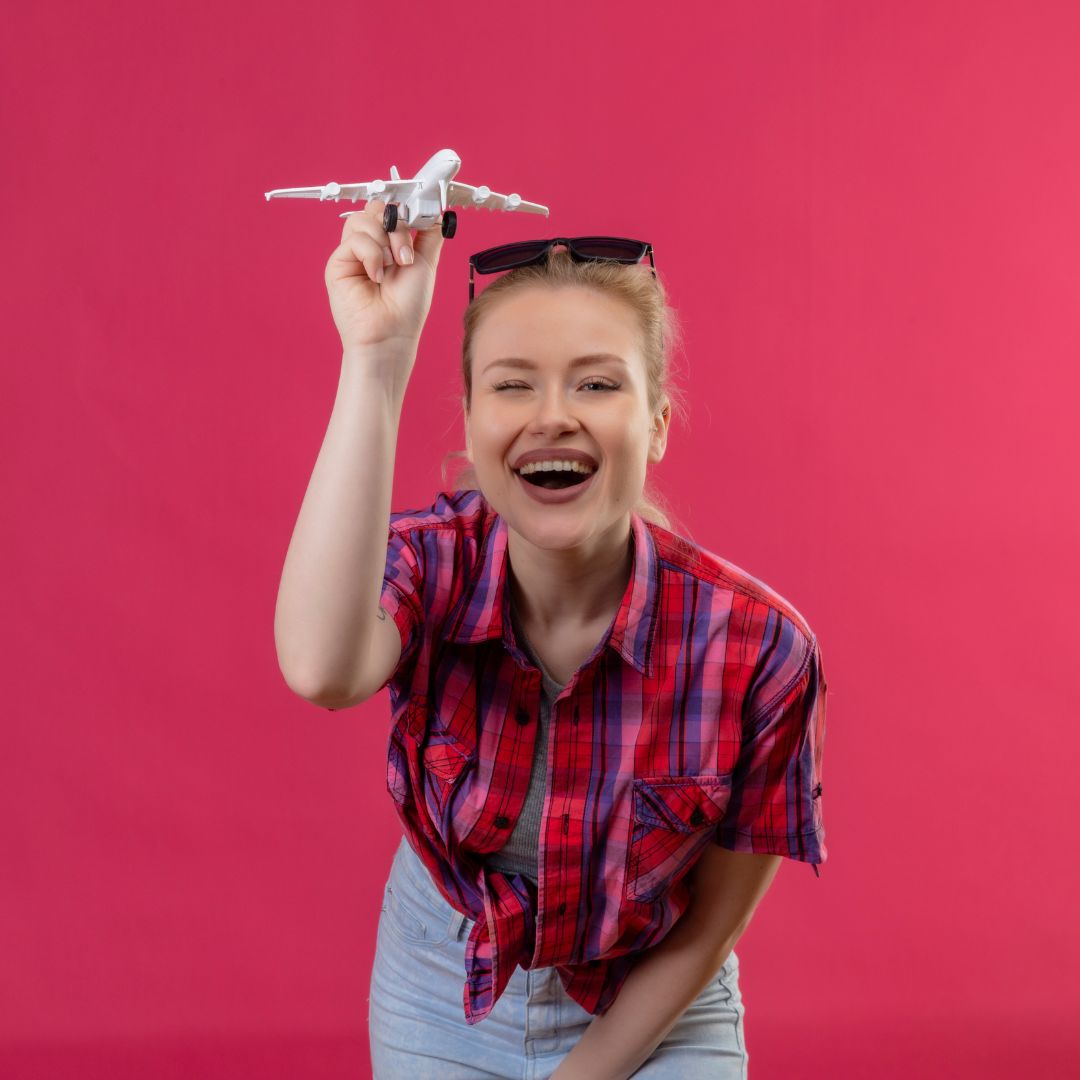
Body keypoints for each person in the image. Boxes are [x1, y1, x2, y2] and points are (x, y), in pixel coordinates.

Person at [274, 200, 828, 1079]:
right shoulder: (430, 567)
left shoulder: (761, 650)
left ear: (656, 423)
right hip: (440, 980)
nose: (553, 416)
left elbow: (712, 925)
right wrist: (377, 359)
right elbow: (320, 668)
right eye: (512, 383)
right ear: (469, 421)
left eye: (598, 383)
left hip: (653, 997)